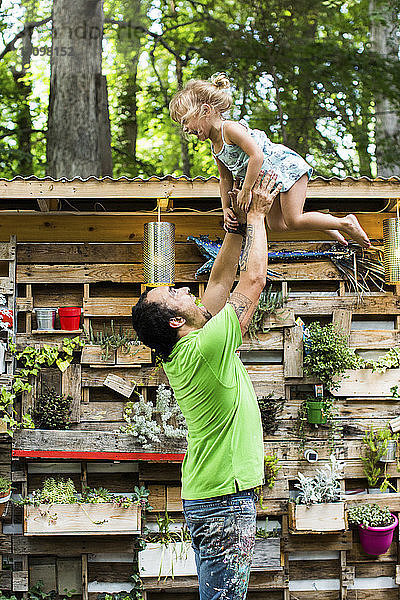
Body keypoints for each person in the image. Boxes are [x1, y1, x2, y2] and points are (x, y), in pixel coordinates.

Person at [131, 171, 281, 600]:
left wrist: (232, 230)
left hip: (213, 497)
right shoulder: (204, 349)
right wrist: (256, 217)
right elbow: (252, 283)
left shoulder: (191, 344)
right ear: (177, 321)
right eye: (174, 294)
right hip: (223, 502)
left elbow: (218, 283)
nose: (182, 288)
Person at [169, 72, 371, 249]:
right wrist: (225, 208)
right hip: (270, 179)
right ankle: (328, 225)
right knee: (276, 225)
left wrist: (247, 190)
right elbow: (225, 179)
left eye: (186, 120)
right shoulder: (215, 146)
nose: (185, 128)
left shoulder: (229, 129)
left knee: (293, 220)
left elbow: (257, 155)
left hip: (285, 168)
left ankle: (346, 223)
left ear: (205, 110)